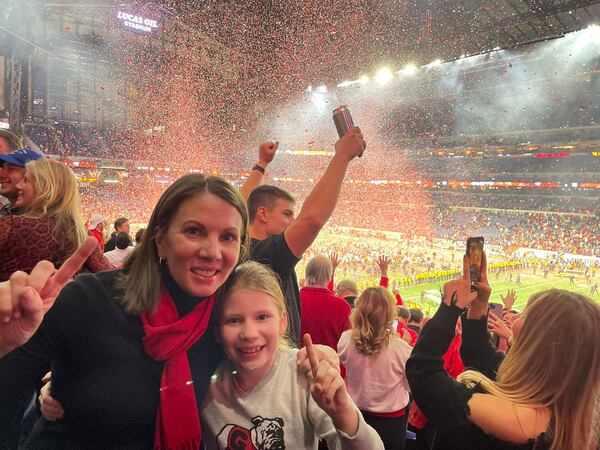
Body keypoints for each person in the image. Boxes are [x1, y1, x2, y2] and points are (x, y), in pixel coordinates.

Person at [0, 174, 250, 448]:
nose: (213, 252)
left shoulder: (231, 323)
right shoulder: (88, 301)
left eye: (228, 237)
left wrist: (304, 376)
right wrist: (5, 344)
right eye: (194, 231)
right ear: (160, 240)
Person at [406, 253, 600, 450]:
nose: (515, 319)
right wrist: (480, 305)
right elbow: (478, 352)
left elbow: (422, 372)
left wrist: (450, 307)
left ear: (540, 340)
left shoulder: (511, 420)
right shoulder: (562, 411)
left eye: (526, 314)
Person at [201, 261, 384, 449]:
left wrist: (343, 413)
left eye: (262, 317)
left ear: (282, 322)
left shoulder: (304, 375)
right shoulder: (203, 380)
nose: (249, 333)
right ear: (217, 330)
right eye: (233, 320)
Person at [242, 130, 366, 345]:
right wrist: (342, 157)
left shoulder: (239, 243)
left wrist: (261, 164)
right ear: (262, 214)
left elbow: (241, 203)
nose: (292, 221)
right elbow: (312, 220)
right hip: (274, 368)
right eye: (287, 214)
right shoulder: (265, 256)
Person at [1, 158, 110, 282]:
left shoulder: (10, 225)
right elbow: (109, 276)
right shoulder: (80, 233)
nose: (19, 185)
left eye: (26, 180)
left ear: (45, 187)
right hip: (64, 300)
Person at [338, 287, 412, 450]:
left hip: (355, 417)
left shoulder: (345, 340)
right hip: (390, 425)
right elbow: (408, 386)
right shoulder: (401, 349)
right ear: (389, 314)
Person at [300, 255, 351, 351]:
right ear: (329, 277)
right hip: (329, 363)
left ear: (306, 273)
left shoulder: (293, 299)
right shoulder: (342, 306)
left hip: (295, 362)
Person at [0, 148, 43, 216]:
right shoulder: (6, 213)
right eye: (2, 168)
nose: (1, 175)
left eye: (11, 169)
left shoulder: (40, 223)